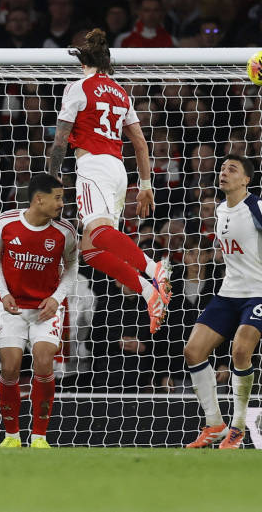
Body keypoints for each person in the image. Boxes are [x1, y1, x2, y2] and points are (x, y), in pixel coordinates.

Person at [47, 28, 170, 332]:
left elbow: (60, 140)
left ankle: (153, 268)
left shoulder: (77, 88)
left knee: (100, 234)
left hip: (93, 166)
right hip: (118, 169)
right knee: (92, 250)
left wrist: (52, 178)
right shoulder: (120, 92)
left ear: (83, 63)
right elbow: (140, 143)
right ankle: (148, 292)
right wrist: (145, 186)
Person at [183, 155, 262, 448]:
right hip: (228, 293)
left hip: (260, 292)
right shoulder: (220, 210)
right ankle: (214, 424)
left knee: (240, 351)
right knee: (193, 351)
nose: (224, 173)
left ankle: (237, 426)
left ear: (246, 179)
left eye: (232, 169)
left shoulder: (259, 208)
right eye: (222, 168)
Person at [0, 173, 77, 448]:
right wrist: (3, 293)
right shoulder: (5, 223)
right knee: (10, 367)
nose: (62, 204)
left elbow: (72, 266)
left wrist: (56, 298)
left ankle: (39, 437)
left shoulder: (65, 232)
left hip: (45, 310)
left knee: (43, 361)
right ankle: (11, 436)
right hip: (12, 307)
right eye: (57, 198)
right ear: (39, 199)